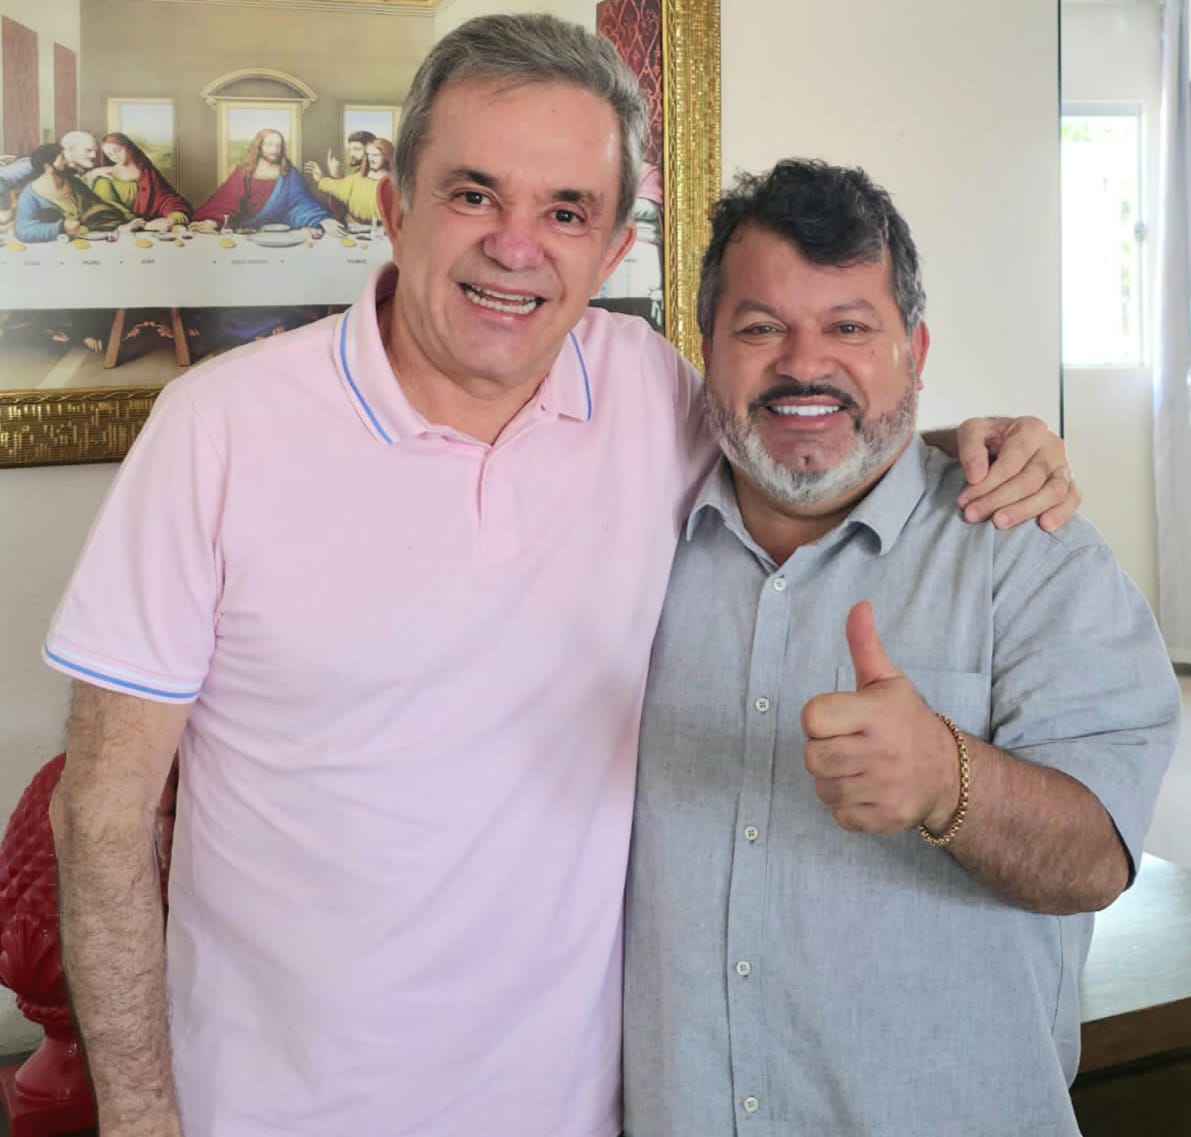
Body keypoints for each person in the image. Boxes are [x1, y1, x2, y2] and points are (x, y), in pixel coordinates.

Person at [44, 16, 1078, 1137]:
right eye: (474, 195)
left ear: (614, 245)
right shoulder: (217, 430)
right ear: (396, 206)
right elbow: (100, 814)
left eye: (566, 212)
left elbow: (799, 436)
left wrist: (978, 445)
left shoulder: (643, 391)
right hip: (270, 1110)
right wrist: (137, 1117)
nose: (515, 246)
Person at [621, 159, 1181, 1137]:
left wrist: (947, 779)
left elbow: (1098, 856)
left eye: (849, 327)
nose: (804, 364)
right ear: (705, 347)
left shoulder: (1030, 552)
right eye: (760, 328)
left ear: (913, 351)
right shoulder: (630, 544)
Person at [189, 128, 340, 233]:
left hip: (282, 234)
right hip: (244, 233)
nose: (275, 149)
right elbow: (226, 201)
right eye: (269, 145)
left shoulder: (289, 173)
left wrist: (321, 220)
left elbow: (301, 205)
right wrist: (214, 221)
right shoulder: (244, 172)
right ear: (259, 147)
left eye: (278, 145)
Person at [14, 142, 137, 243]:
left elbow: (98, 206)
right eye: (62, 158)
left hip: (92, 240)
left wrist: (121, 225)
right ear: (48, 166)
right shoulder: (30, 195)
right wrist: (60, 227)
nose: (68, 161)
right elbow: (23, 230)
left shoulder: (73, 182)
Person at [86, 132, 191, 231]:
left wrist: (171, 219)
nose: (115, 156)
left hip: (154, 228)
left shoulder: (147, 173)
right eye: (109, 154)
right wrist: (135, 224)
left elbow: (169, 200)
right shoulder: (105, 177)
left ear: (128, 147)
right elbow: (107, 208)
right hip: (123, 230)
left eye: (117, 150)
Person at [303, 136, 394, 224]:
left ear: (386, 156)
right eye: (368, 154)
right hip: (355, 226)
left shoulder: (394, 183)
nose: (371, 159)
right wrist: (321, 179)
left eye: (375, 155)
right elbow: (338, 187)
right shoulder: (357, 178)